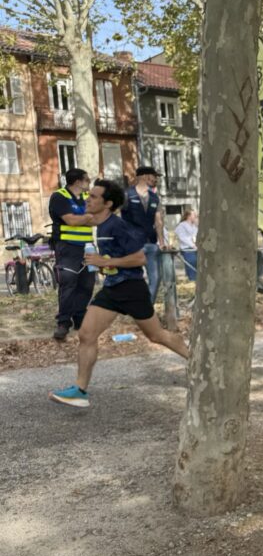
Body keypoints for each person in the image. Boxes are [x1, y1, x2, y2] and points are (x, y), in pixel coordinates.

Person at [48, 180, 190, 408]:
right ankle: (80, 391)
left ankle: (197, 361)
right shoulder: (100, 226)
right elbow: (113, 261)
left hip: (131, 289)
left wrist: (106, 261)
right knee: (86, 334)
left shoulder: (117, 226)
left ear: (108, 204)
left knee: (156, 335)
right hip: (113, 288)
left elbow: (139, 258)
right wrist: (103, 265)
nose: (88, 199)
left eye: (93, 197)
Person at [48, 168, 96, 340]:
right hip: (67, 247)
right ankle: (63, 323)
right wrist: (88, 217)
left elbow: (99, 217)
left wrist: (87, 218)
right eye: (87, 179)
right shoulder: (59, 196)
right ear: (77, 181)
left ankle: (79, 317)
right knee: (68, 284)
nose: (89, 182)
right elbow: (71, 220)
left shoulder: (88, 197)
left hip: (88, 247)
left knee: (87, 284)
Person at [121, 165, 166, 302]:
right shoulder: (126, 195)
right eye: (154, 176)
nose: (156, 180)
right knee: (133, 278)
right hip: (132, 245)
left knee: (156, 278)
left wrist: (162, 243)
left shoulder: (155, 198)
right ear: (145, 176)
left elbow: (158, 222)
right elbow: (116, 217)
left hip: (151, 243)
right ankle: (132, 305)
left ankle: (147, 308)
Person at [174, 207, 199, 281]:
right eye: (193, 215)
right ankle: (192, 281)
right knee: (191, 267)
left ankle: (194, 281)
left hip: (195, 249)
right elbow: (183, 238)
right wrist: (193, 245)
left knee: (196, 267)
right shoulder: (182, 225)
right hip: (188, 249)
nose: (195, 216)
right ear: (189, 216)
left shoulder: (194, 226)